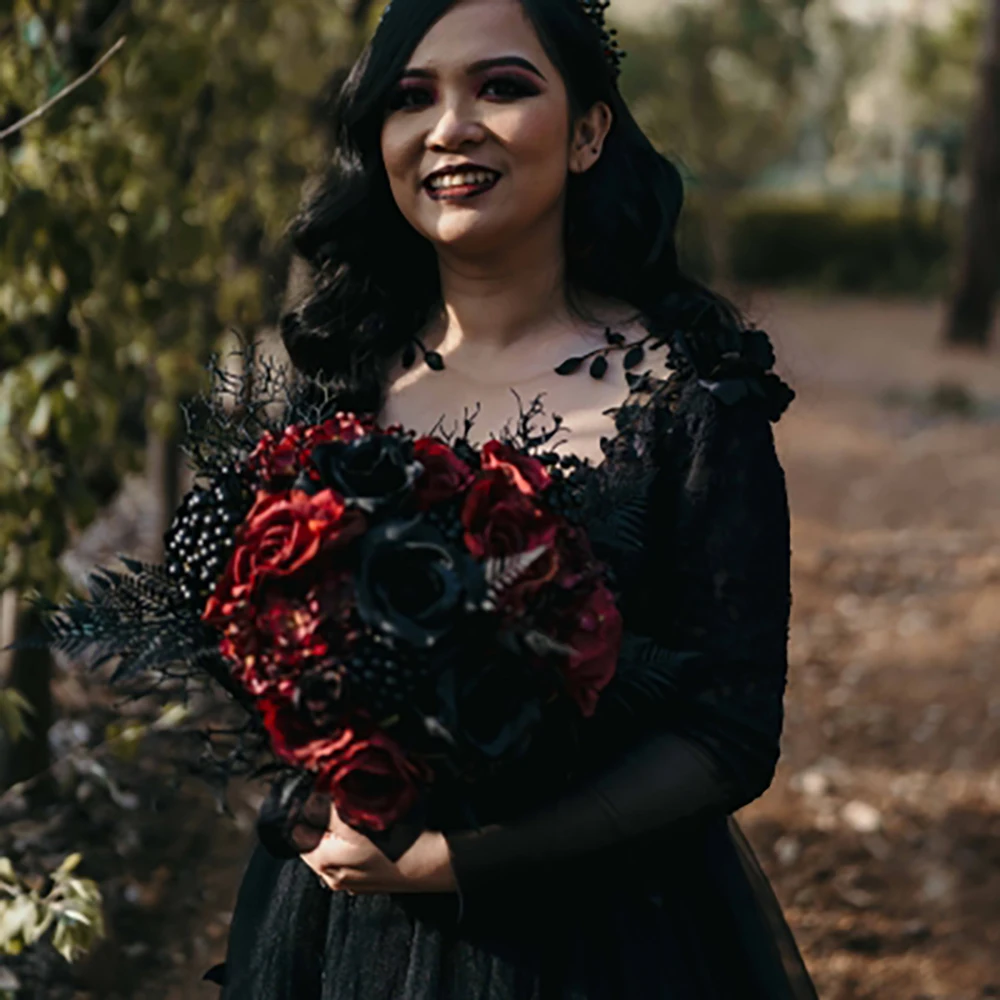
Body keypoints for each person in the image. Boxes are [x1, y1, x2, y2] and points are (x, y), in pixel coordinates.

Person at [211, 0, 819, 996]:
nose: (450, 125)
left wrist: (461, 861)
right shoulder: (330, 389)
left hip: (600, 943)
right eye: (412, 97)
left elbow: (729, 734)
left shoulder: (692, 397)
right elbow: (249, 661)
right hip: (336, 931)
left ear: (588, 132)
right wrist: (297, 797)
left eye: (501, 85)